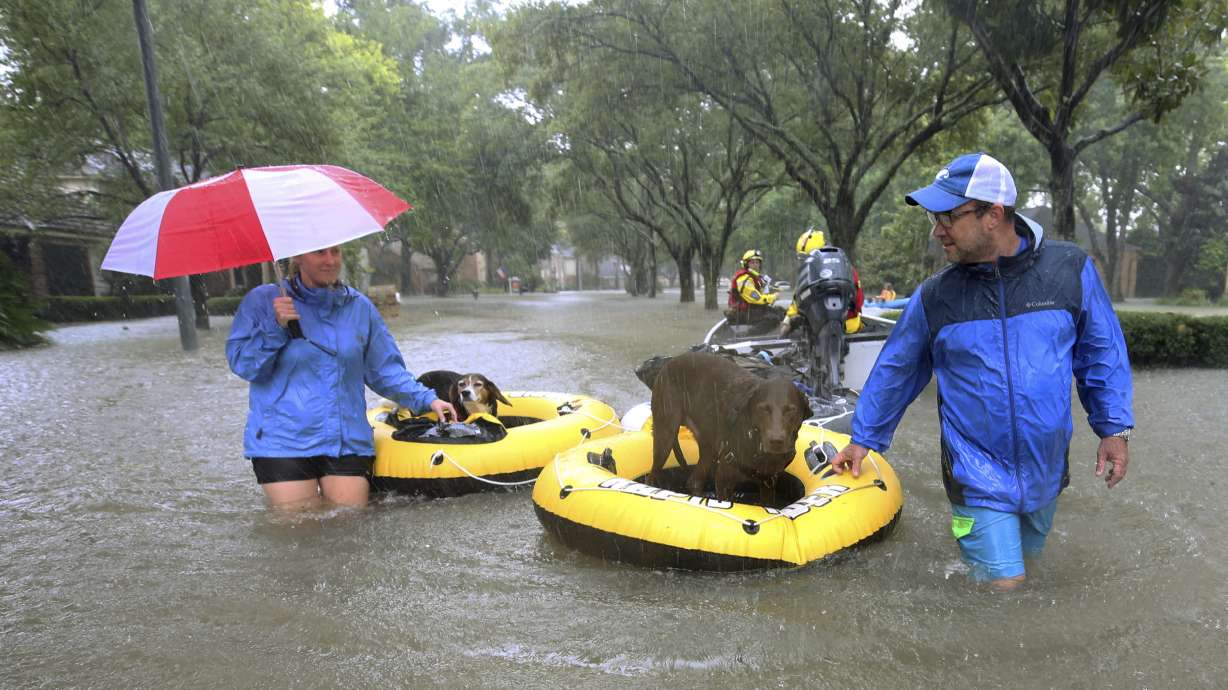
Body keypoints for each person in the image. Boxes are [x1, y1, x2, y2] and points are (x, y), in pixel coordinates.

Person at [830, 152, 1133, 590]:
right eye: (934, 219)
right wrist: (864, 439)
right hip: (974, 471)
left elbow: (1101, 352)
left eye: (948, 217)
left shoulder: (1069, 271)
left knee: (1029, 575)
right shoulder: (937, 297)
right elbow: (898, 368)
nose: (938, 232)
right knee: (1004, 589)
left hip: (1045, 470)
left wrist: (1114, 429)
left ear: (993, 214)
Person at [226, 246, 457, 510]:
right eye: (320, 253)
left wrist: (428, 399)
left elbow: (384, 370)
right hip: (283, 440)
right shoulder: (263, 301)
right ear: (298, 257)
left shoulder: (359, 307)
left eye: (335, 253)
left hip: (346, 438)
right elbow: (245, 365)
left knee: (347, 529)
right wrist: (275, 328)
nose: (330, 261)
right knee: (298, 530)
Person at [777, 227, 864, 337]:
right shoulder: (845, 268)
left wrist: (787, 321)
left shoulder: (810, 274)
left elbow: (798, 300)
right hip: (849, 327)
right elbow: (859, 299)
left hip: (820, 332)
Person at [726, 249, 782, 331]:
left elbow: (761, 295)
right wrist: (773, 297)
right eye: (752, 262)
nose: (755, 265)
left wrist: (771, 292)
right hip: (743, 312)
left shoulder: (755, 278)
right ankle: (747, 335)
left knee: (780, 311)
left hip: (752, 309)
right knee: (773, 319)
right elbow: (756, 299)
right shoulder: (744, 279)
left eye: (757, 262)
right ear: (746, 264)